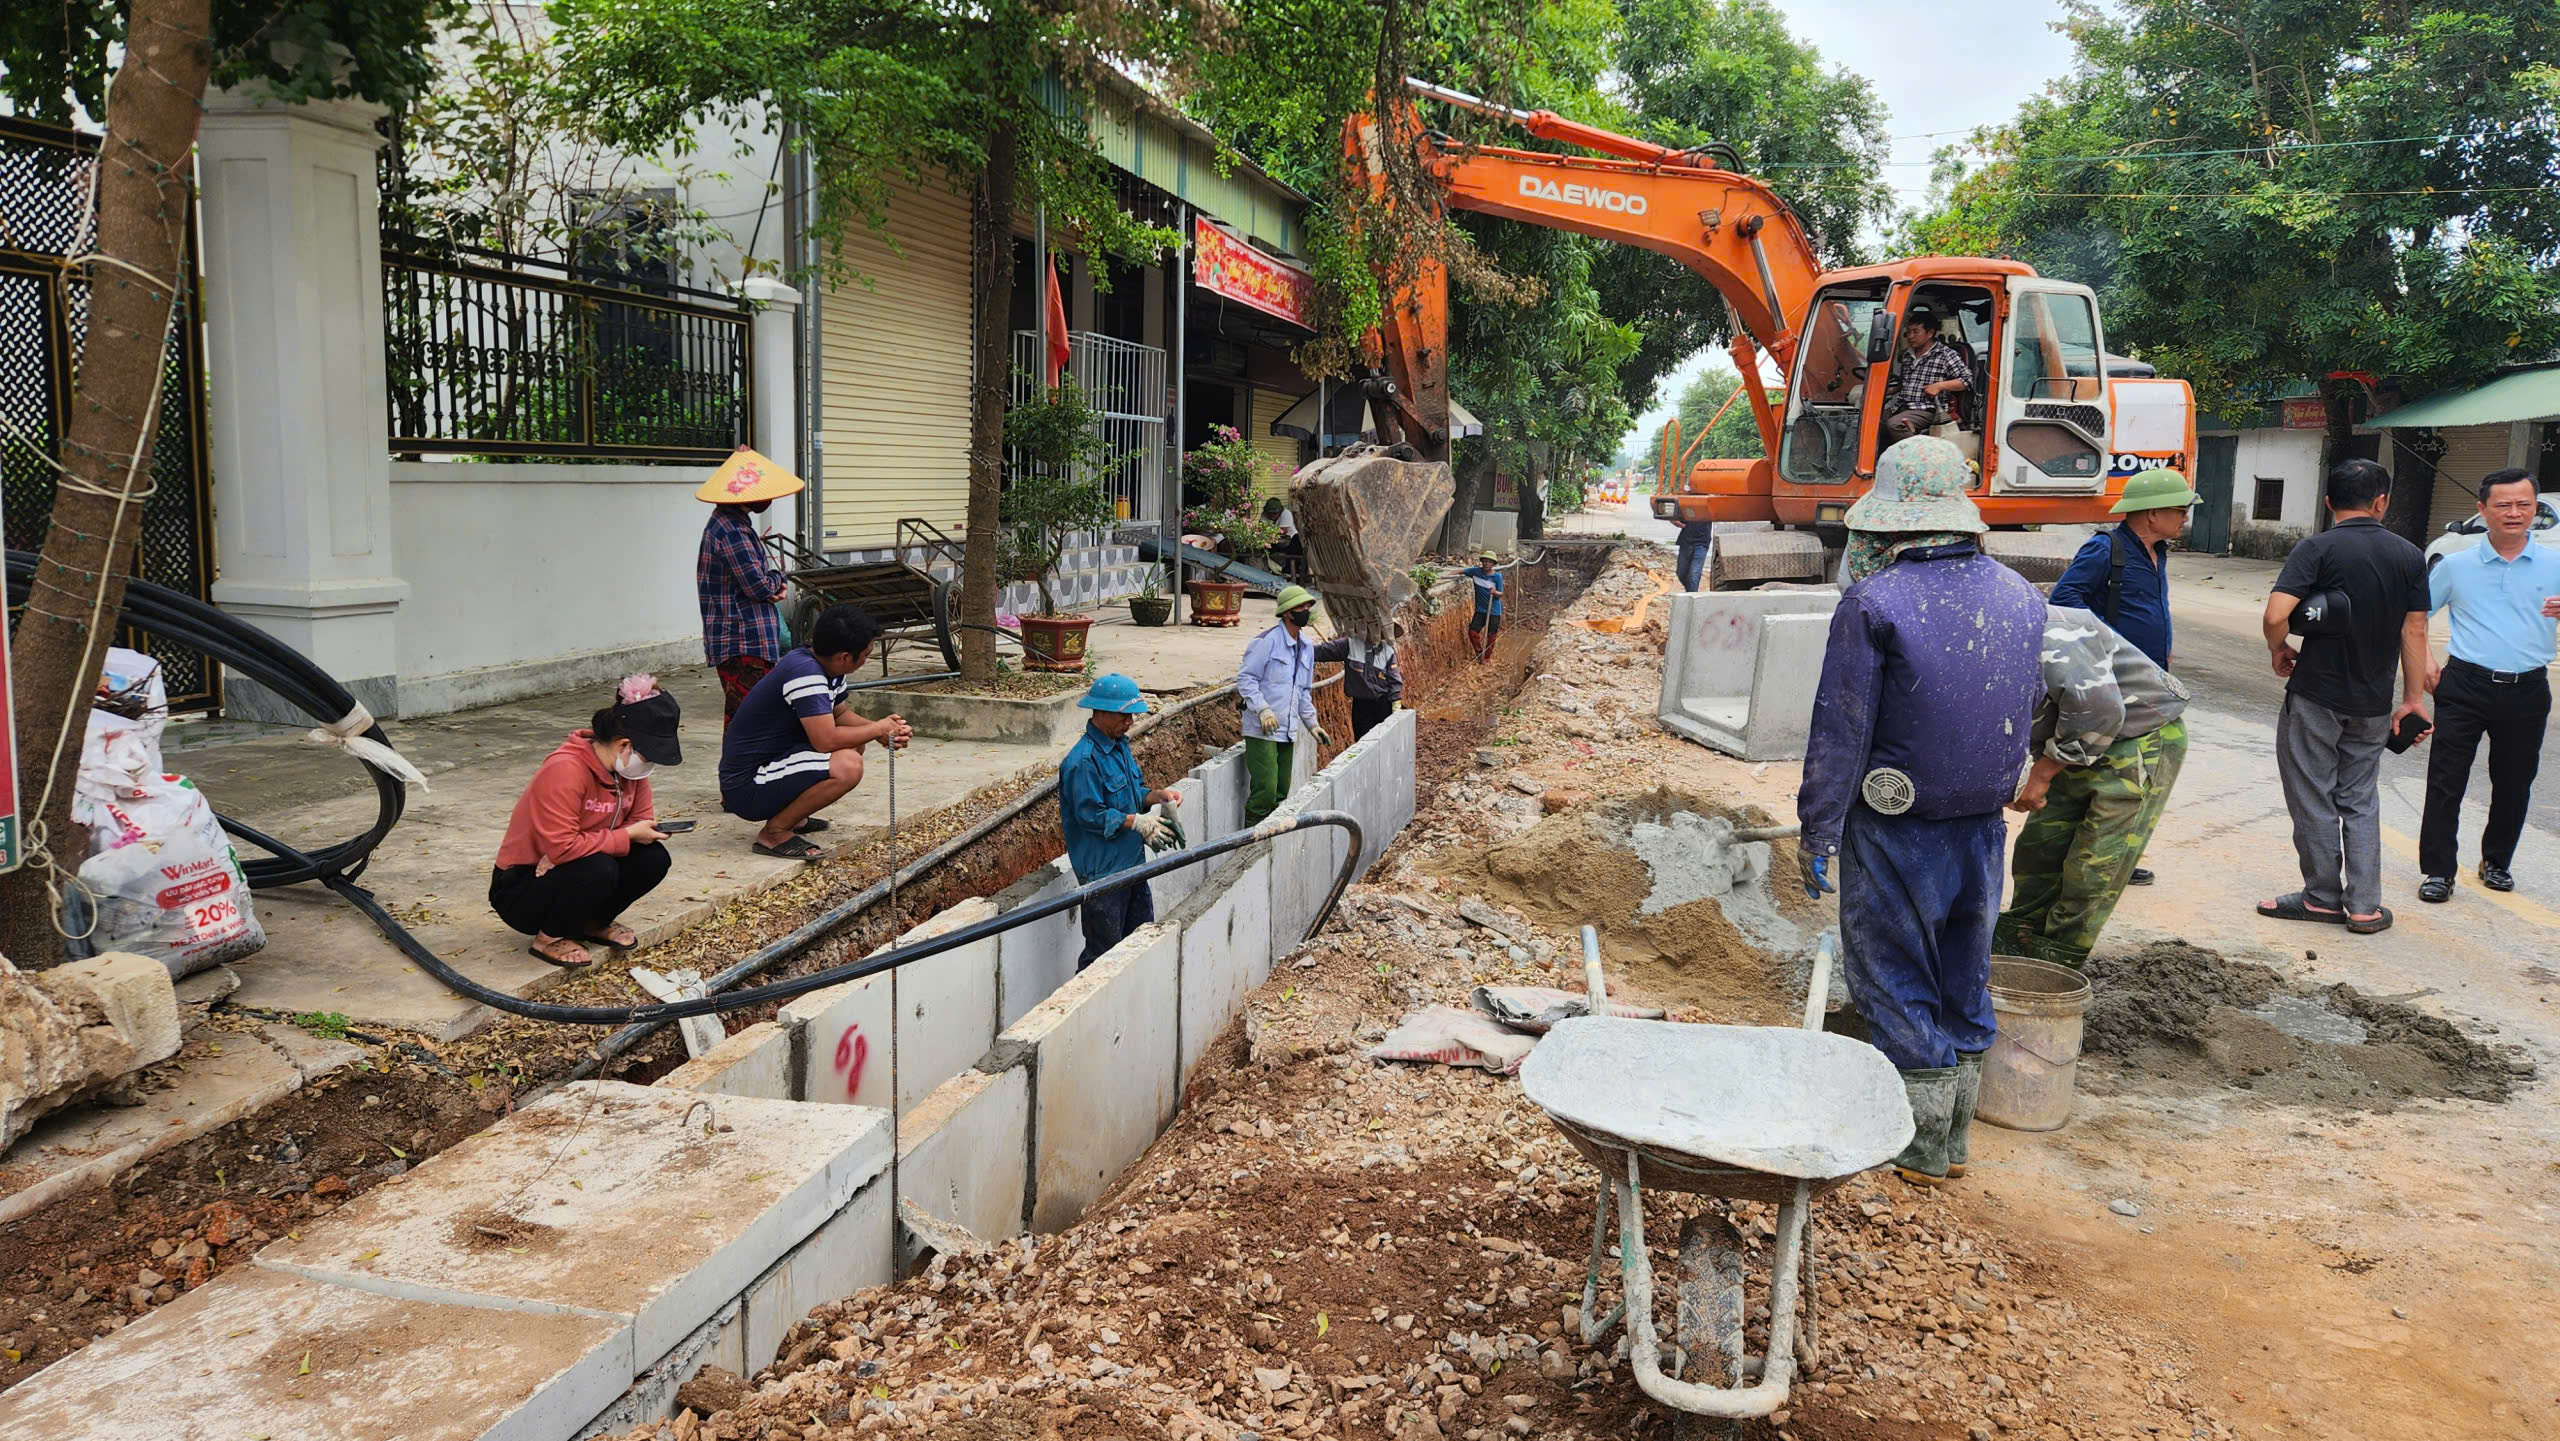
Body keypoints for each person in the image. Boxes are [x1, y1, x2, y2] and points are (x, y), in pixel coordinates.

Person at [1797, 436, 2043, 1187]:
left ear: (1890, 526)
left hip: (1895, 826)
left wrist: (1819, 826)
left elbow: (1841, 729)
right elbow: (2026, 704)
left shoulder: (1874, 602)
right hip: (1982, 825)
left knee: (1894, 969)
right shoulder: (2022, 596)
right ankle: (1958, 1136)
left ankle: (1918, 1144)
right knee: (1965, 970)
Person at [2258, 458, 2432, 935]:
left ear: (2330, 502)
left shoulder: (2316, 548)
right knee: (2359, 797)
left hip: (2316, 694)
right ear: (2382, 502)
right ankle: (2364, 908)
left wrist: (2280, 648)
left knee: (2313, 794)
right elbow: (2415, 631)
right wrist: (2413, 699)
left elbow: (2277, 615)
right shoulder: (2409, 556)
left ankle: (2321, 899)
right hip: (2375, 701)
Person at [1992, 606, 2191, 970]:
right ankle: (2019, 942)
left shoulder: (2043, 630)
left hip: (2137, 735)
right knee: (2040, 850)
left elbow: (2101, 712)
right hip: (2066, 740)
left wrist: (2040, 775)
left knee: (2094, 865)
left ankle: (2056, 965)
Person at [2417, 468, 2560, 902]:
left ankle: (2496, 861)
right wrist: (2424, 662)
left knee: (2515, 781)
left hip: (2529, 688)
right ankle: (2438, 871)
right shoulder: (2456, 566)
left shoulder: (2556, 563)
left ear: (2535, 509)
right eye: (2503, 505)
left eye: (2523, 504)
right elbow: (2415, 615)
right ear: (2482, 511)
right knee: (2446, 780)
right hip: (2464, 684)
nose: (2514, 513)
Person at [2049, 465, 2197, 886]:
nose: (2185, 516)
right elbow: (2066, 601)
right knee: (2111, 774)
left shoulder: (2158, 551)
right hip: (2113, 681)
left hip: (2147, 681)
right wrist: (2108, 644)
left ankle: (2115, 856)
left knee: (2136, 772)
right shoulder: (2105, 549)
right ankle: (2092, 858)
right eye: (2179, 509)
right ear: (2151, 513)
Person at [491, 675, 684, 968]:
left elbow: (641, 819)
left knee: (653, 858)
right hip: (523, 885)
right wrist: (624, 835)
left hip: (572, 871)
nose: (650, 765)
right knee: (598, 867)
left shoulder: (631, 775)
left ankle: (592, 922)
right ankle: (549, 938)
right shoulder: (565, 769)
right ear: (623, 746)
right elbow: (562, 847)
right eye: (648, 756)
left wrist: (631, 834)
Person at [718, 604, 912, 860]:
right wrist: (878, 727)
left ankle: (794, 817)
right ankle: (775, 832)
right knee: (848, 765)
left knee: (854, 745)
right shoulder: (805, 673)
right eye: (865, 654)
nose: (867, 659)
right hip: (747, 785)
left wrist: (881, 732)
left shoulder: (825, 664)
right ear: (844, 656)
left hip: (771, 766)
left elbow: (838, 715)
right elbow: (825, 740)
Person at [1059, 673, 1180, 968]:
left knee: (1138, 942)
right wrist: (1136, 823)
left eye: (1132, 716)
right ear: (1100, 712)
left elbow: (1132, 794)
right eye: (1124, 716)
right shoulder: (1083, 762)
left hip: (1131, 865)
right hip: (1103, 875)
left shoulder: (1120, 746)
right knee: (1103, 957)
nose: (1130, 722)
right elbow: (1090, 815)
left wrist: (1158, 797)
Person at [696, 447, 801, 727]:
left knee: (749, 718)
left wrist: (772, 583)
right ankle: (740, 770)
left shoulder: (731, 525)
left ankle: (744, 769)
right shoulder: (732, 530)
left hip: (744, 642)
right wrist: (778, 579)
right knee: (750, 720)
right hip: (743, 641)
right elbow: (758, 586)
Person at [1239, 584, 1331, 824]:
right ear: (1287, 612)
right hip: (1262, 729)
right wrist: (1263, 708)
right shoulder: (1266, 642)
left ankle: (1269, 836)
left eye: (1308, 606)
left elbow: (1303, 691)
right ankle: (1251, 840)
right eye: (1300, 607)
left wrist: (1312, 724)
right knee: (1265, 790)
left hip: (1287, 729)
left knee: (1281, 789)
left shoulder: (1306, 647)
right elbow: (1247, 678)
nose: (1306, 611)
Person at [1880, 311, 1971, 447]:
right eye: (1908, 332)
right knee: (1871, 419)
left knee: (1895, 425)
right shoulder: (1907, 355)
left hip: (1927, 409)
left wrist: (1939, 386)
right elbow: (1906, 383)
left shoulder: (1946, 355)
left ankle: (1918, 457)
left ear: (1930, 333)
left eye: (1916, 332)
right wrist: (1891, 389)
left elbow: (1967, 380)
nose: (1910, 336)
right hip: (1902, 406)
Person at [1314, 620, 1404, 740]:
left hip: (1384, 703)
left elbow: (1394, 680)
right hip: (1361, 705)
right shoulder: (1350, 645)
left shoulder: (1388, 650)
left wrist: (1396, 707)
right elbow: (1322, 651)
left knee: (1386, 742)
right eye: (1376, 627)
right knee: (1364, 742)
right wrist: (1299, 649)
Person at [1463, 550, 1505, 663]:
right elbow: (1461, 571)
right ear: (1482, 562)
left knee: (1491, 635)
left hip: (1494, 611)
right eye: (1485, 561)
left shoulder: (1497, 577)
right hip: (1480, 610)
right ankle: (1479, 653)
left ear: (1493, 564)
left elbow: (1501, 594)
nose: (1487, 564)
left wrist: (1495, 592)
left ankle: (1486, 658)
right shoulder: (1476, 572)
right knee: (1472, 632)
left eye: (1489, 562)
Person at [1675, 515, 1715, 593]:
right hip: (1685, 541)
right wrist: (1674, 520)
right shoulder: (1687, 504)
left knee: (1694, 574)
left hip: (1702, 543)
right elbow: (1673, 515)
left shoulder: (1708, 506)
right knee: (1681, 573)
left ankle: (1692, 596)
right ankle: (1690, 592)